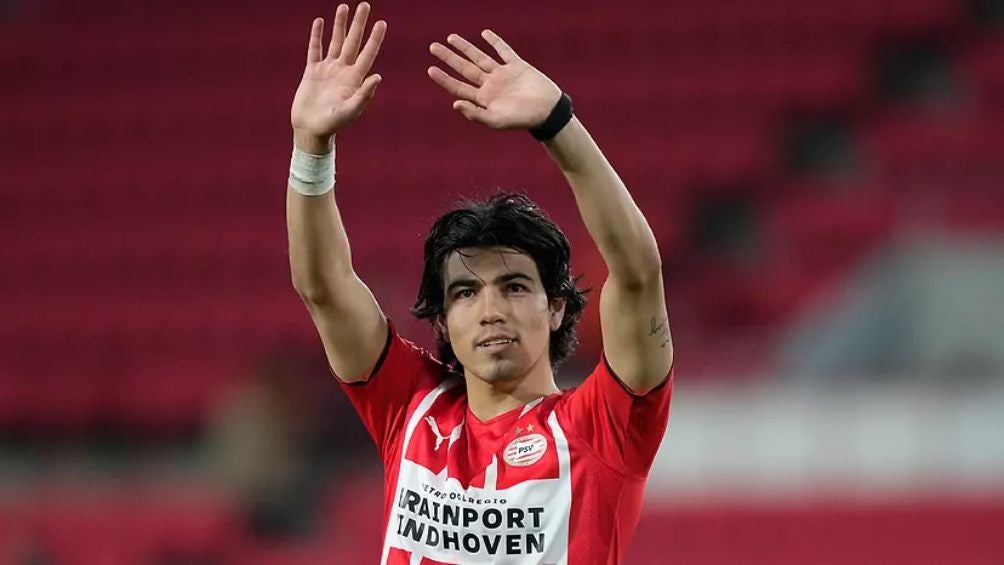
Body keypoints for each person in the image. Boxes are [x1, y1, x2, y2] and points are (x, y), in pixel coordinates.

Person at [286, 3, 674, 563]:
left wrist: (558, 124)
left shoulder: (602, 430)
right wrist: (310, 147)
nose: (491, 309)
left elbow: (637, 274)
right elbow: (323, 286)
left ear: (556, 307)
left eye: (514, 286)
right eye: (466, 293)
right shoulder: (412, 407)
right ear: (443, 321)